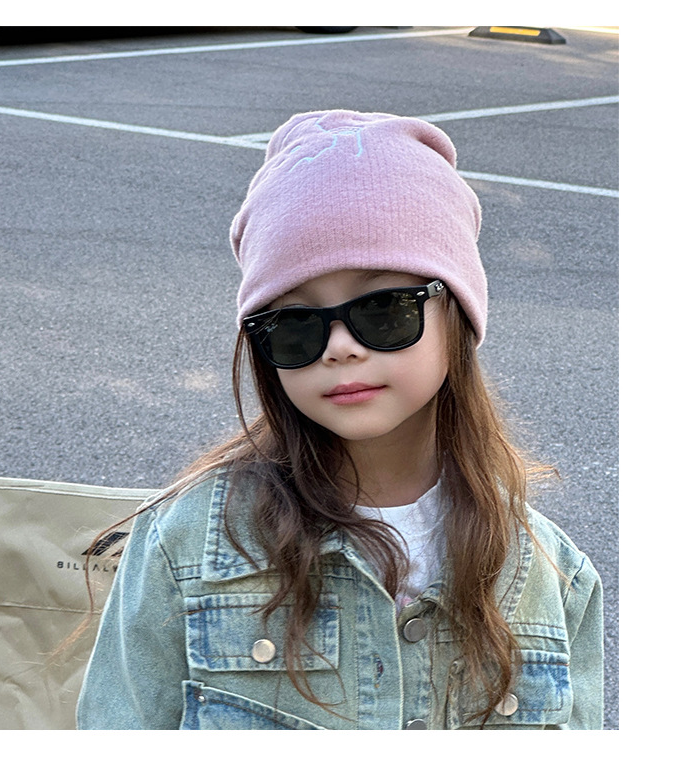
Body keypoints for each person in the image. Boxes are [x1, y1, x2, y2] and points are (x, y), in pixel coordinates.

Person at [76, 109, 604, 730]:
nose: (339, 348)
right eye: (294, 324)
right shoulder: (181, 542)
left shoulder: (555, 578)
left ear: (458, 313)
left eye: (383, 309)